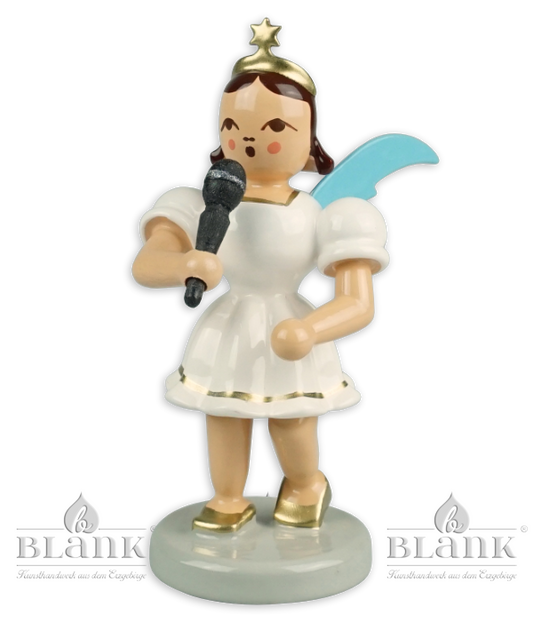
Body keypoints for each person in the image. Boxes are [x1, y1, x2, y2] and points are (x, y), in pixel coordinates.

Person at [132, 18, 389, 532]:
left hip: (290, 325)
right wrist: (184, 263)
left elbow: (359, 302)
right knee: (223, 412)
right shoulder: (200, 204)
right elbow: (146, 264)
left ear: (309, 141)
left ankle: (306, 482)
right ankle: (227, 497)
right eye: (233, 126)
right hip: (229, 326)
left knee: (291, 416)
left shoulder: (326, 214)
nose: (248, 138)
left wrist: (312, 329)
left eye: (275, 129)